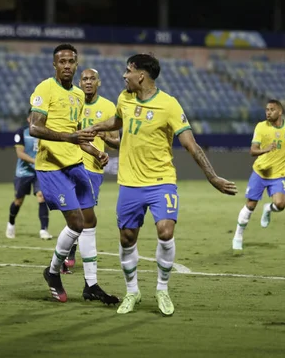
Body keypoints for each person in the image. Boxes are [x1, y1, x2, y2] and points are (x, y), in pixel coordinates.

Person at [85, 53, 237, 316]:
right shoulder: (124, 98)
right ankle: (132, 292)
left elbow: (191, 144)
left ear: (141, 75)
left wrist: (212, 176)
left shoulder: (169, 105)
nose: (124, 75)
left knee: (165, 232)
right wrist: (96, 128)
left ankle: (162, 288)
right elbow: (118, 121)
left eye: (128, 70)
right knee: (127, 238)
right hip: (130, 183)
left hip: (161, 182)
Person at [29, 44, 119, 305]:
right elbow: (35, 127)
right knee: (77, 223)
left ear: (76, 65)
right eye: (62, 61)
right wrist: (69, 137)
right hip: (51, 167)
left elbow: (77, 134)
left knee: (90, 221)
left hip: (76, 164)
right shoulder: (45, 88)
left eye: (71, 61)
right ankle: (53, 272)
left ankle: (91, 285)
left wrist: (94, 152)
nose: (67, 65)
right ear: (54, 65)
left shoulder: (78, 95)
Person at [232, 99, 285, 252]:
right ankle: (238, 236)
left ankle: (268, 208)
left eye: (272, 109)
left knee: (280, 204)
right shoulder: (261, 127)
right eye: (267, 109)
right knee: (250, 205)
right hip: (260, 172)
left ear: (280, 111)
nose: (268, 112)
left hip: (278, 175)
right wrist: (265, 149)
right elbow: (252, 150)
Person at [61, 68, 119, 273]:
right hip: (71, 164)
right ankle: (69, 253)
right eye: (84, 79)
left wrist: (105, 138)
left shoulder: (108, 107)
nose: (87, 82)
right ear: (79, 82)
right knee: (72, 212)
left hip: (94, 170)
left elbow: (117, 142)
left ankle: (70, 252)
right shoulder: (72, 102)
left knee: (84, 215)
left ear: (98, 82)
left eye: (92, 78)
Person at [6, 109, 52, 240]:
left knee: (41, 196)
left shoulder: (45, 133)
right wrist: (35, 161)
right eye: (34, 116)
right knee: (19, 200)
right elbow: (20, 153)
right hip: (24, 172)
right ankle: (11, 224)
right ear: (28, 119)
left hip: (39, 171)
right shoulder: (22, 132)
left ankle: (44, 230)